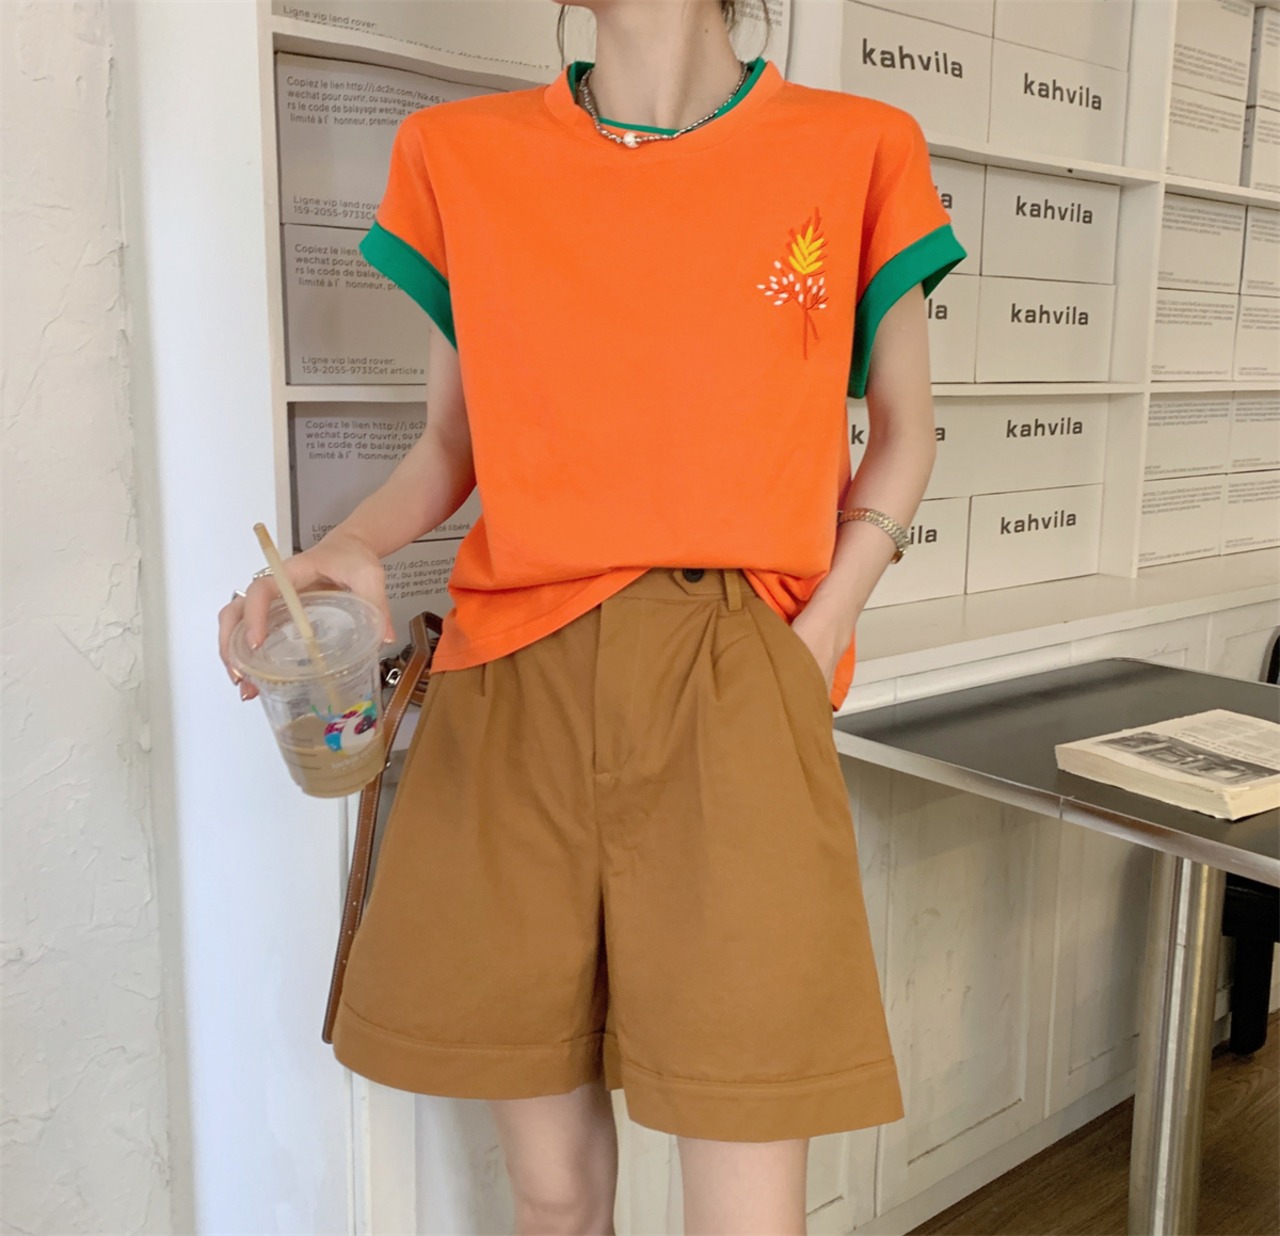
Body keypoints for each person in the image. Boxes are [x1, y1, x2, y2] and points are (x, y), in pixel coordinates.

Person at [218, 1, 965, 1231]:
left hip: (735, 675)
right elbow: (452, 443)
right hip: (511, 686)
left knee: (745, 1208)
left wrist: (820, 631)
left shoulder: (858, 146)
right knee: (553, 1194)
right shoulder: (458, 153)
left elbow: (906, 434)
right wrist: (351, 545)